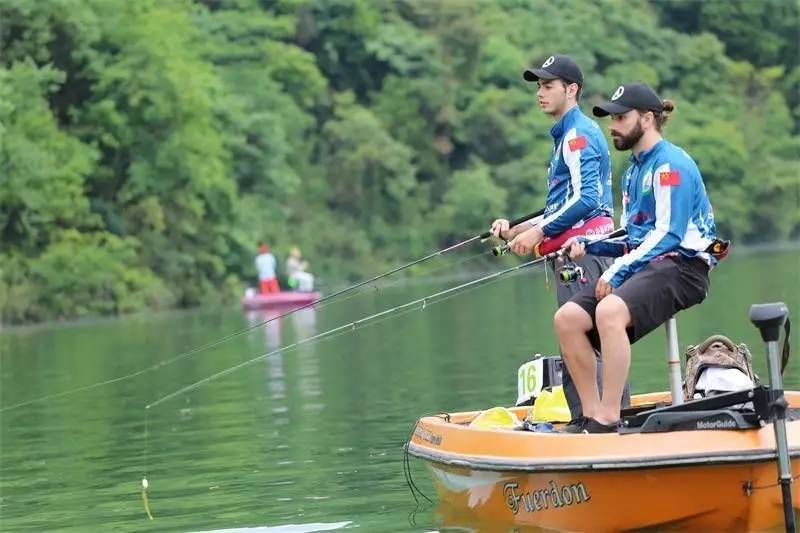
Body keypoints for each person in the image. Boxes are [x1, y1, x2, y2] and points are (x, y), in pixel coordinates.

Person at [555, 82, 718, 433]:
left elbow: (669, 235)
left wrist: (616, 271)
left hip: (684, 267)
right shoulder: (632, 172)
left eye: (620, 117)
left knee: (609, 309)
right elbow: (633, 236)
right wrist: (590, 244)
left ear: (647, 118)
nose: (612, 125)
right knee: (567, 319)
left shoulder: (671, 165)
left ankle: (609, 417)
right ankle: (590, 416)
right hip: (649, 264)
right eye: (610, 117)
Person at [490, 54, 628, 421]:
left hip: (585, 255)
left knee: (585, 343)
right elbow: (563, 203)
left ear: (572, 89)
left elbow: (587, 200)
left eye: (548, 86)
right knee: (586, 341)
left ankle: (597, 424)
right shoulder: (567, 135)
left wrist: (539, 231)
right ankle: (600, 420)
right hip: (580, 255)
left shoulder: (578, 135)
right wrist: (518, 229)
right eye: (538, 86)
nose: (540, 93)